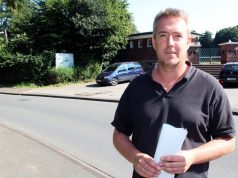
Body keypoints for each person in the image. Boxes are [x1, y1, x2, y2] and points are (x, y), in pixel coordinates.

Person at [111, 8, 236, 178]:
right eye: (163, 35)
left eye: (177, 35)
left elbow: (228, 141)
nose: (170, 43)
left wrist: (191, 157)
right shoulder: (136, 87)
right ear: (154, 42)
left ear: (188, 41)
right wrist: (136, 157)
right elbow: (119, 135)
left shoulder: (210, 87)